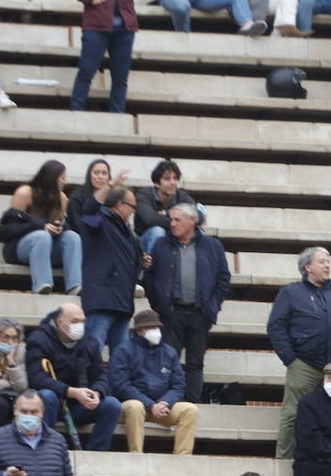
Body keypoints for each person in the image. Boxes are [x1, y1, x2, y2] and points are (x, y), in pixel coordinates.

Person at [268, 246, 331, 461]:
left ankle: (330, 464)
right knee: (293, 415)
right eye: (322, 261)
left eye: (328, 261)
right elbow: (276, 326)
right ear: (307, 266)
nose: (327, 265)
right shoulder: (290, 293)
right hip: (304, 366)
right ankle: (284, 462)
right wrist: (290, 359)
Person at [143, 201, 229, 406]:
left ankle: (192, 404)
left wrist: (213, 305)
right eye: (170, 219)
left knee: (195, 363)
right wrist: (158, 305)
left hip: (200, 313)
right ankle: (167, 403)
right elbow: (150, 277)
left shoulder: (213, 245)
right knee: (167, 362)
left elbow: (223, 278)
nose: (171, 224)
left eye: (177, 219)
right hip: (171, 313)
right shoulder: (161, 244)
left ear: (192, 221)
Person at [25, 304, 123, 453]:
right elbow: (37, 379)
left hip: (81, 405)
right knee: (46, 395)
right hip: (53, 404)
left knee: (112, 404)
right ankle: (45, 450)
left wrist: (96, 393)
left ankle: (96, 454)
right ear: (59, 323)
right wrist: (71, 392)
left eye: (83, 321)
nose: (80, 326)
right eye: (75, 321)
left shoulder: (90, 342)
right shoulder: (38, 340)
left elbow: (100, 375)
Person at [107, 309, 196, 455]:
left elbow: (178, 385)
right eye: (151, 327)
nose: (156, 331)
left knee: (190, 410)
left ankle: (183, 457)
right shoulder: (123, 350)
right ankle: (136, 454)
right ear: (140, 331)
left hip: (162, 407)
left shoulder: (169, 352)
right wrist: (150, 405)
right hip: (134, 405)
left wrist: (164, 403)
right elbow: (121, 385)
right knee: (135, 407)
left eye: (157, 327)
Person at [75, 186, 140, 358]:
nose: (133, 211)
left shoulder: (126, 230)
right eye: (132, 207)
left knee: (121, 361)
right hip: (102, 301)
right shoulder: (100, 220)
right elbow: (89, 209)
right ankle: (86, 385)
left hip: (123, 302)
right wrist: (110, 185)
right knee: (92, 354)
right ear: (120, 205)